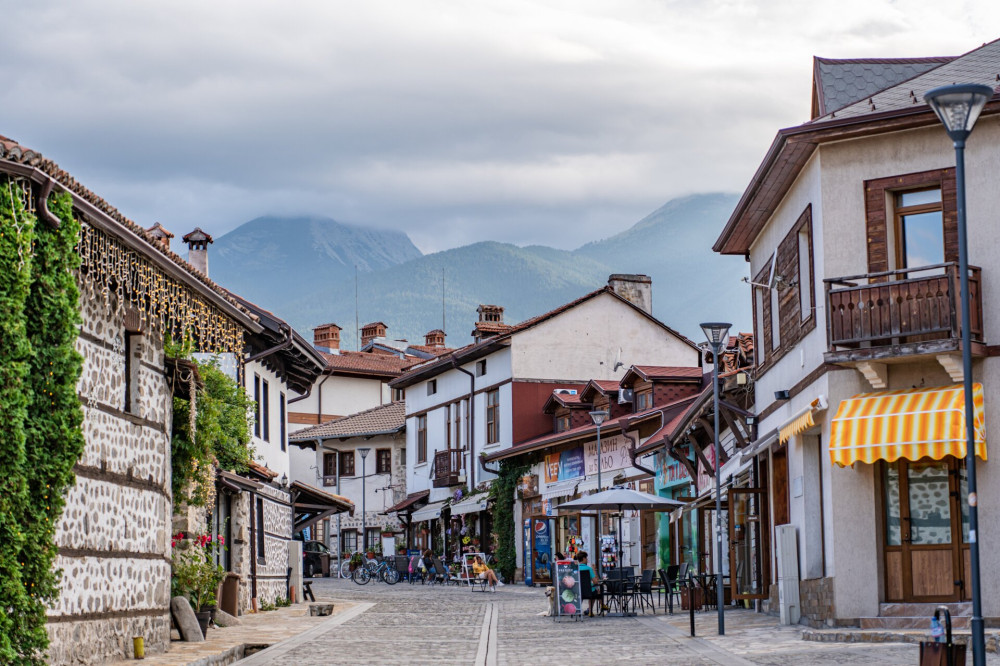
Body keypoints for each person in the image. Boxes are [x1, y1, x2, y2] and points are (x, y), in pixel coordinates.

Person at [576, 551, 599, 616]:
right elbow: (595, 582)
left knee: (581, 593)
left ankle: (578, 609)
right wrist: (594, 570)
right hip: (588, 591)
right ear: (583, 558)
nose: (587, 560)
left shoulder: (575, 568)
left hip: (577, 591)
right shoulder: (589, 569)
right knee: (594, 590)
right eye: (586, 558)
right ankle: (590, 611)